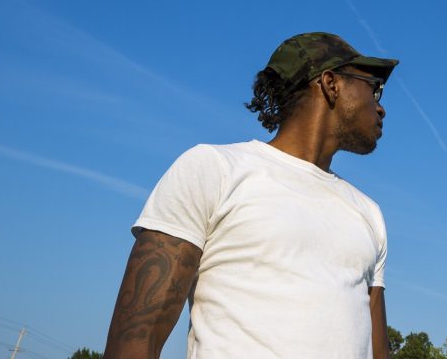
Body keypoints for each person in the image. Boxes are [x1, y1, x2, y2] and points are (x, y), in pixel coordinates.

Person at [104, 32, 398, 358]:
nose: (381, 108)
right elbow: (134, 340)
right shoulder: (214, 169)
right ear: (331, 84)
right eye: (374, 88)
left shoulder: (369, 213)